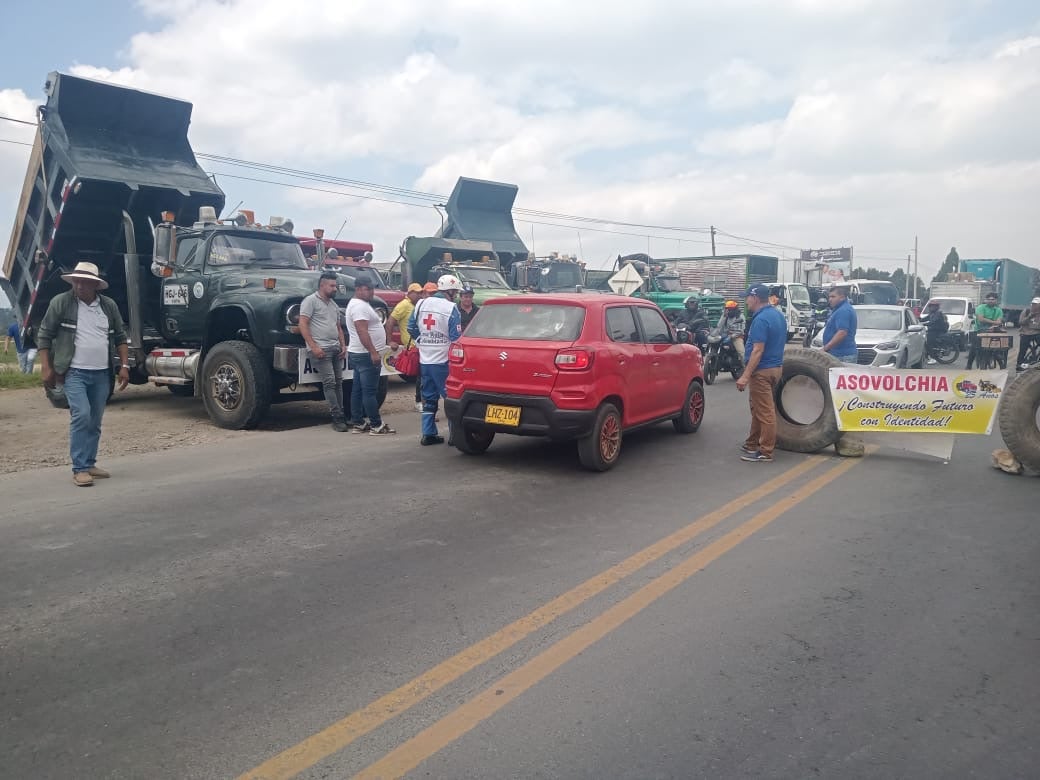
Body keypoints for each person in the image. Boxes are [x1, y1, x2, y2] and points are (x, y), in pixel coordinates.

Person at [36, 261, 130, 487]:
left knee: (95, 420)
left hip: (101, 374)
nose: (79, 286)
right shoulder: (62, 303)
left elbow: (119, 336)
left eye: (84, 282)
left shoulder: (108, 306)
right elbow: (44, 335)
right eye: (76, 281)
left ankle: (89, 463)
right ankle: (79, 469)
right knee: (82, 415)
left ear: (95, 285)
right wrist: (47, 367)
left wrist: (124, 366)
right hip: (74, 372)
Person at [408, 274, 462, 446]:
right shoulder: (451, 308)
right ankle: (455, 435)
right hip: (443, 361)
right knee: (451, 397)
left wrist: (423, 341)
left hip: (425, 359)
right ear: (451, 291)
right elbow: (456, 338)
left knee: (429, 398)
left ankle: (428, 433)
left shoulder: (421, 303)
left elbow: (411, 327)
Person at [735, 284, 787, 463]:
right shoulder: (777, 315)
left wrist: (745, 375)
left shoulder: (761, 319)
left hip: (762, 371)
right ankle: (752, 443)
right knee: (758, 408)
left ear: (755, 298)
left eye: (747, 297)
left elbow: (758, 350)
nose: (746, 301)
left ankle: (765, 451)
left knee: (765, 412)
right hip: (775, 368)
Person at [345, 276, 395, 435]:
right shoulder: (359, 307)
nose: (371, 292)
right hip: (365, 354)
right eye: (368, 289)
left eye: (372, 288)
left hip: (359, 352)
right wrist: (373, 351)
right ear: (358, 289)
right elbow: (362, 331)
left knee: (358, 389)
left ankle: (358, 422)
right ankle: (376, 425)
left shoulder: (360, 304)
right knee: (369, 391)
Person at [299, 271, 348, 431]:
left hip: (335, 348)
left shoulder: (333, 305)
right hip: (321, 349)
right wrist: (313, 347)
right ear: (322, 285)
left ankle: (342, 414)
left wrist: (343, 345)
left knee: (339, 383)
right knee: (329, 382)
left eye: (335, 285)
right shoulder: (310, 301)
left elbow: (338, 327)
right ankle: (337, 417)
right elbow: (303, 324)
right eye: (332, 286)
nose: (335, 289)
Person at [966, 292, 1004, 370]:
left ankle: (1001, 364)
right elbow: (981, 319)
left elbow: (999, 321)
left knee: (997, 348)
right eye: (988, 299)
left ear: (996, 300)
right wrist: (994, 322)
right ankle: (968, 365)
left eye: (993, 299)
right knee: (974, 348)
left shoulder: (999, 310)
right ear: (986, 300)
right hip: (979, 331)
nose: (990, 301)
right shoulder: (981, 307)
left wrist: (994, 324)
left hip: (993, 331)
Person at [820, 286, 858, 363]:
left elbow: (842, 333)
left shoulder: (843, 311)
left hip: (842, 356)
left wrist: (825, 348)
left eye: (833, 297)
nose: (830, 299)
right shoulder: (838, 309)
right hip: (838, 354)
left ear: (842, 297)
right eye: (829, 297)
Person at [1017, 297, 1040, 370]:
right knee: (1022, 349)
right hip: (1026, 333)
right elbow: (1020, 322)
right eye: (1033, 304)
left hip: (1037, 333)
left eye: (1036, 304)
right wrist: (1029, 316)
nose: (1034, 306)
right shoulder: (1026, 311)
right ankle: (1019, 364)